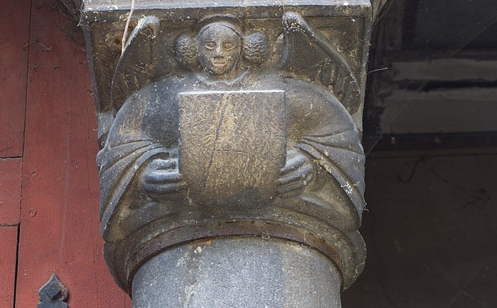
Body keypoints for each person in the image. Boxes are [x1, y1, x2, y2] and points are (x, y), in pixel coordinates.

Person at [96, 19, 365, 255]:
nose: (219, 54)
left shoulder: (284, 88)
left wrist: (310, 166)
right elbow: (124, 142)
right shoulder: (163, 95)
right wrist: (144, 173)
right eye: (209, 46)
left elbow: (337, 136)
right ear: (194, 49)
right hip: (168, 231)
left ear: (244, 48)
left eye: (228, 46)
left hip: (295, 224)